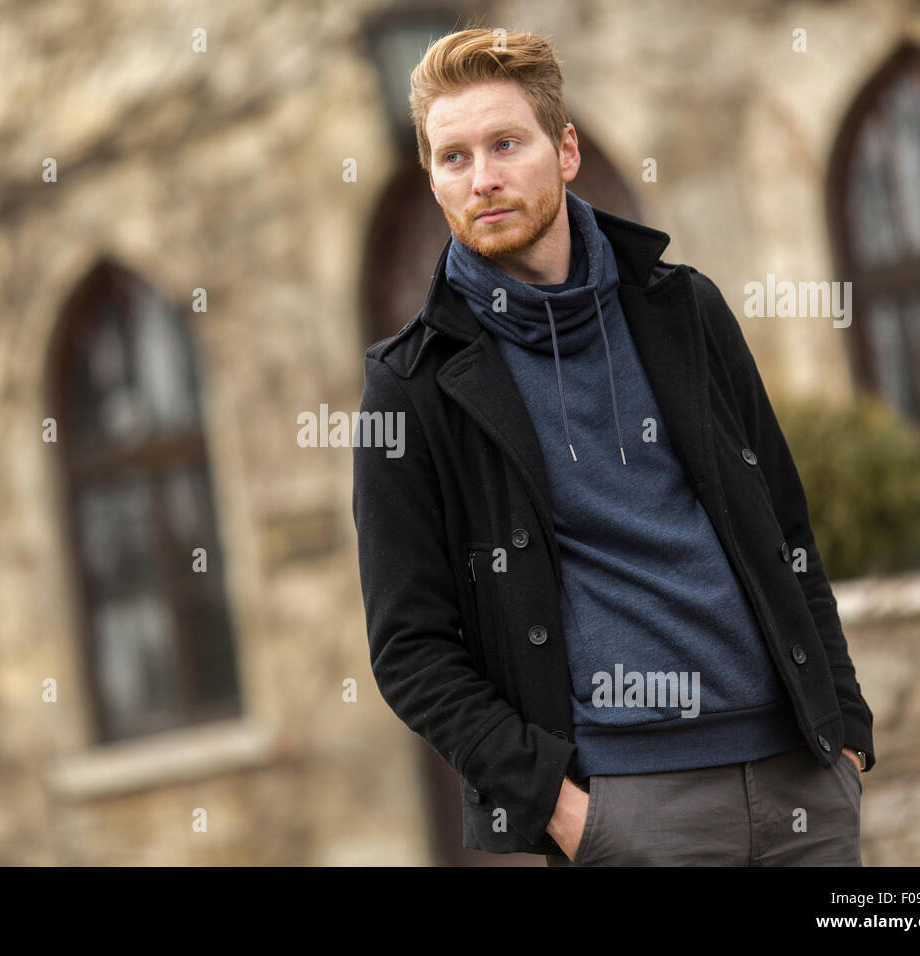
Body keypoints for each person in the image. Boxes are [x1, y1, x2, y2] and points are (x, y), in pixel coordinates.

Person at [351, 28, 874, 866]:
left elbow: (786, 531)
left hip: (802, 781)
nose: (481, 177)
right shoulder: (412, 385)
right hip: (630, 809)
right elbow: (408, 648)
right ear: (433, 179)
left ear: (565, 152)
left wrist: (845, 731)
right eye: (453, 158)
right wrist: (560, 807)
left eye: (505, 144)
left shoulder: (683, 310)